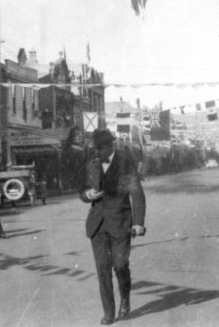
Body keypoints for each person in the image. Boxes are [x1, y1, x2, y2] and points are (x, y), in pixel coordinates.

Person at [80, 129, 146, 325]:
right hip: (97, 226)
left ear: (110, 146)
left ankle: (125, 298)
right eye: (95, 148)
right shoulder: (92, 165)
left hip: (120, 223)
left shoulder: (125, 165)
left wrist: (138, 223)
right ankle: (109, 313)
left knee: (120, 265)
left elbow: (136, 194)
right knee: (102, 270)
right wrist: (87, 195)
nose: (97, 152)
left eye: (101, 148)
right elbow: (82, 190)